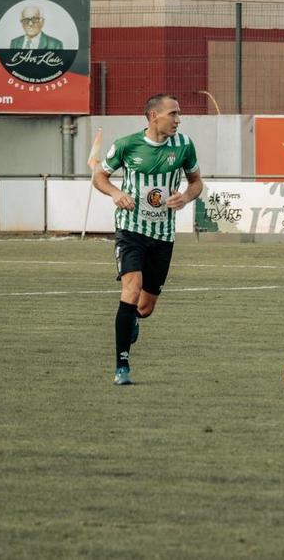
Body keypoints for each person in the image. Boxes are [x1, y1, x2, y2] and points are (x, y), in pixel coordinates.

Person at [93, 93, 203, 385]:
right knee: (131, 289)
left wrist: (185, 198)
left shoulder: (184, 145)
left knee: (144, 307)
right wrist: (116, 193)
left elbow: (196, 183)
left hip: (163, 235)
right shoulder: (127, 145)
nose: (178, 120)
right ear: (154, 116)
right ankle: (121, 366)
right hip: (130, 230)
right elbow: (99, 177)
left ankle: (133, 322)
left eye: (178, 114)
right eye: (173, 114)